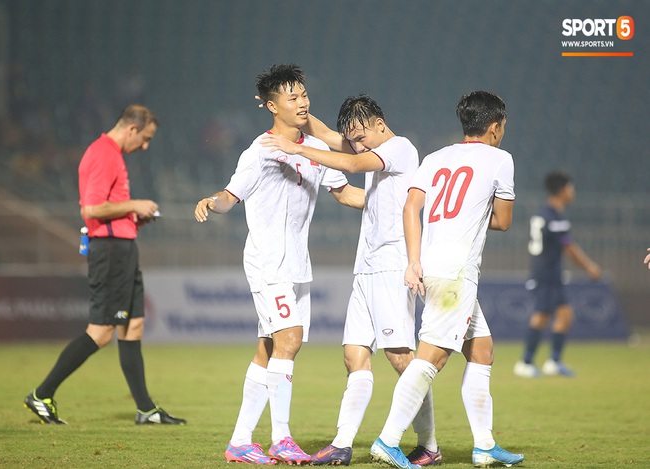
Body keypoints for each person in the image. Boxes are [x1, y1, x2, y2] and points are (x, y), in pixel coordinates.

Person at [194, 64, 364, 465]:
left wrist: (391, 205)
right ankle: (281, 437)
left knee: (269, 348)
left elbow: (344, 194)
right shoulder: (260, 151)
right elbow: (230, 196)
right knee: (290, 339)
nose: (303, 101)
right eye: (293, 97)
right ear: (272, 106)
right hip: (268, 261)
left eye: (304, 94)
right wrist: (210, 204)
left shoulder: (313, 151)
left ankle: (239, 441)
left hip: (297, 264)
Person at [261, 94, 441, 466]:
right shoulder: (371, 148)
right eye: (353, 137)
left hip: (392, 266)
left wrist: (296, 151)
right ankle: (342, 444)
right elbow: (327, 134)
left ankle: (429, 444)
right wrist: (293, 108)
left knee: (401, 359)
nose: (357, 142)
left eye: (361, 134)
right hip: (366, 266)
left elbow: (353, 161)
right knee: (354, 354)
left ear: (379, 123)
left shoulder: (400, 148)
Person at [369, 91, 524, 469]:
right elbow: (503, 221)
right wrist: (472, 217)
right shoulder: (500, 159)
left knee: (482, 350)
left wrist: (414, 260)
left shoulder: (435, 158)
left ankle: (485, 446)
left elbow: (411, 207)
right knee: (430, 360)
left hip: (432, 266)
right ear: (494, 126)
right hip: (456, 276)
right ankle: (387, 441)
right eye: (502, 126)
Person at [24, 105, 186, 426]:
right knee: (100, 333)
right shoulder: (103, 154)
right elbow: (93, 209)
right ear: (131, 130)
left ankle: (146, 409)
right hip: (109, 253)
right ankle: (42, 394)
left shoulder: (112, 154)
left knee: (133, 326)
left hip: (122, 248)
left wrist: (134, 219)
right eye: (145, 139)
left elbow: (107, 210)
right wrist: (135, 204)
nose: (145, 146)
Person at [514, 171, 602, 378]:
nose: (573, 193)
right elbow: (568, 247)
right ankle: (525, 362)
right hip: (547, 274)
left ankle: (554, 361)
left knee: (564, 315)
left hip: (548, 272)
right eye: (571, 188)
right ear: (562, 191)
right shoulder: (555, 217)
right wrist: (590, 267)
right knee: (542, 315)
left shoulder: (543, 213)